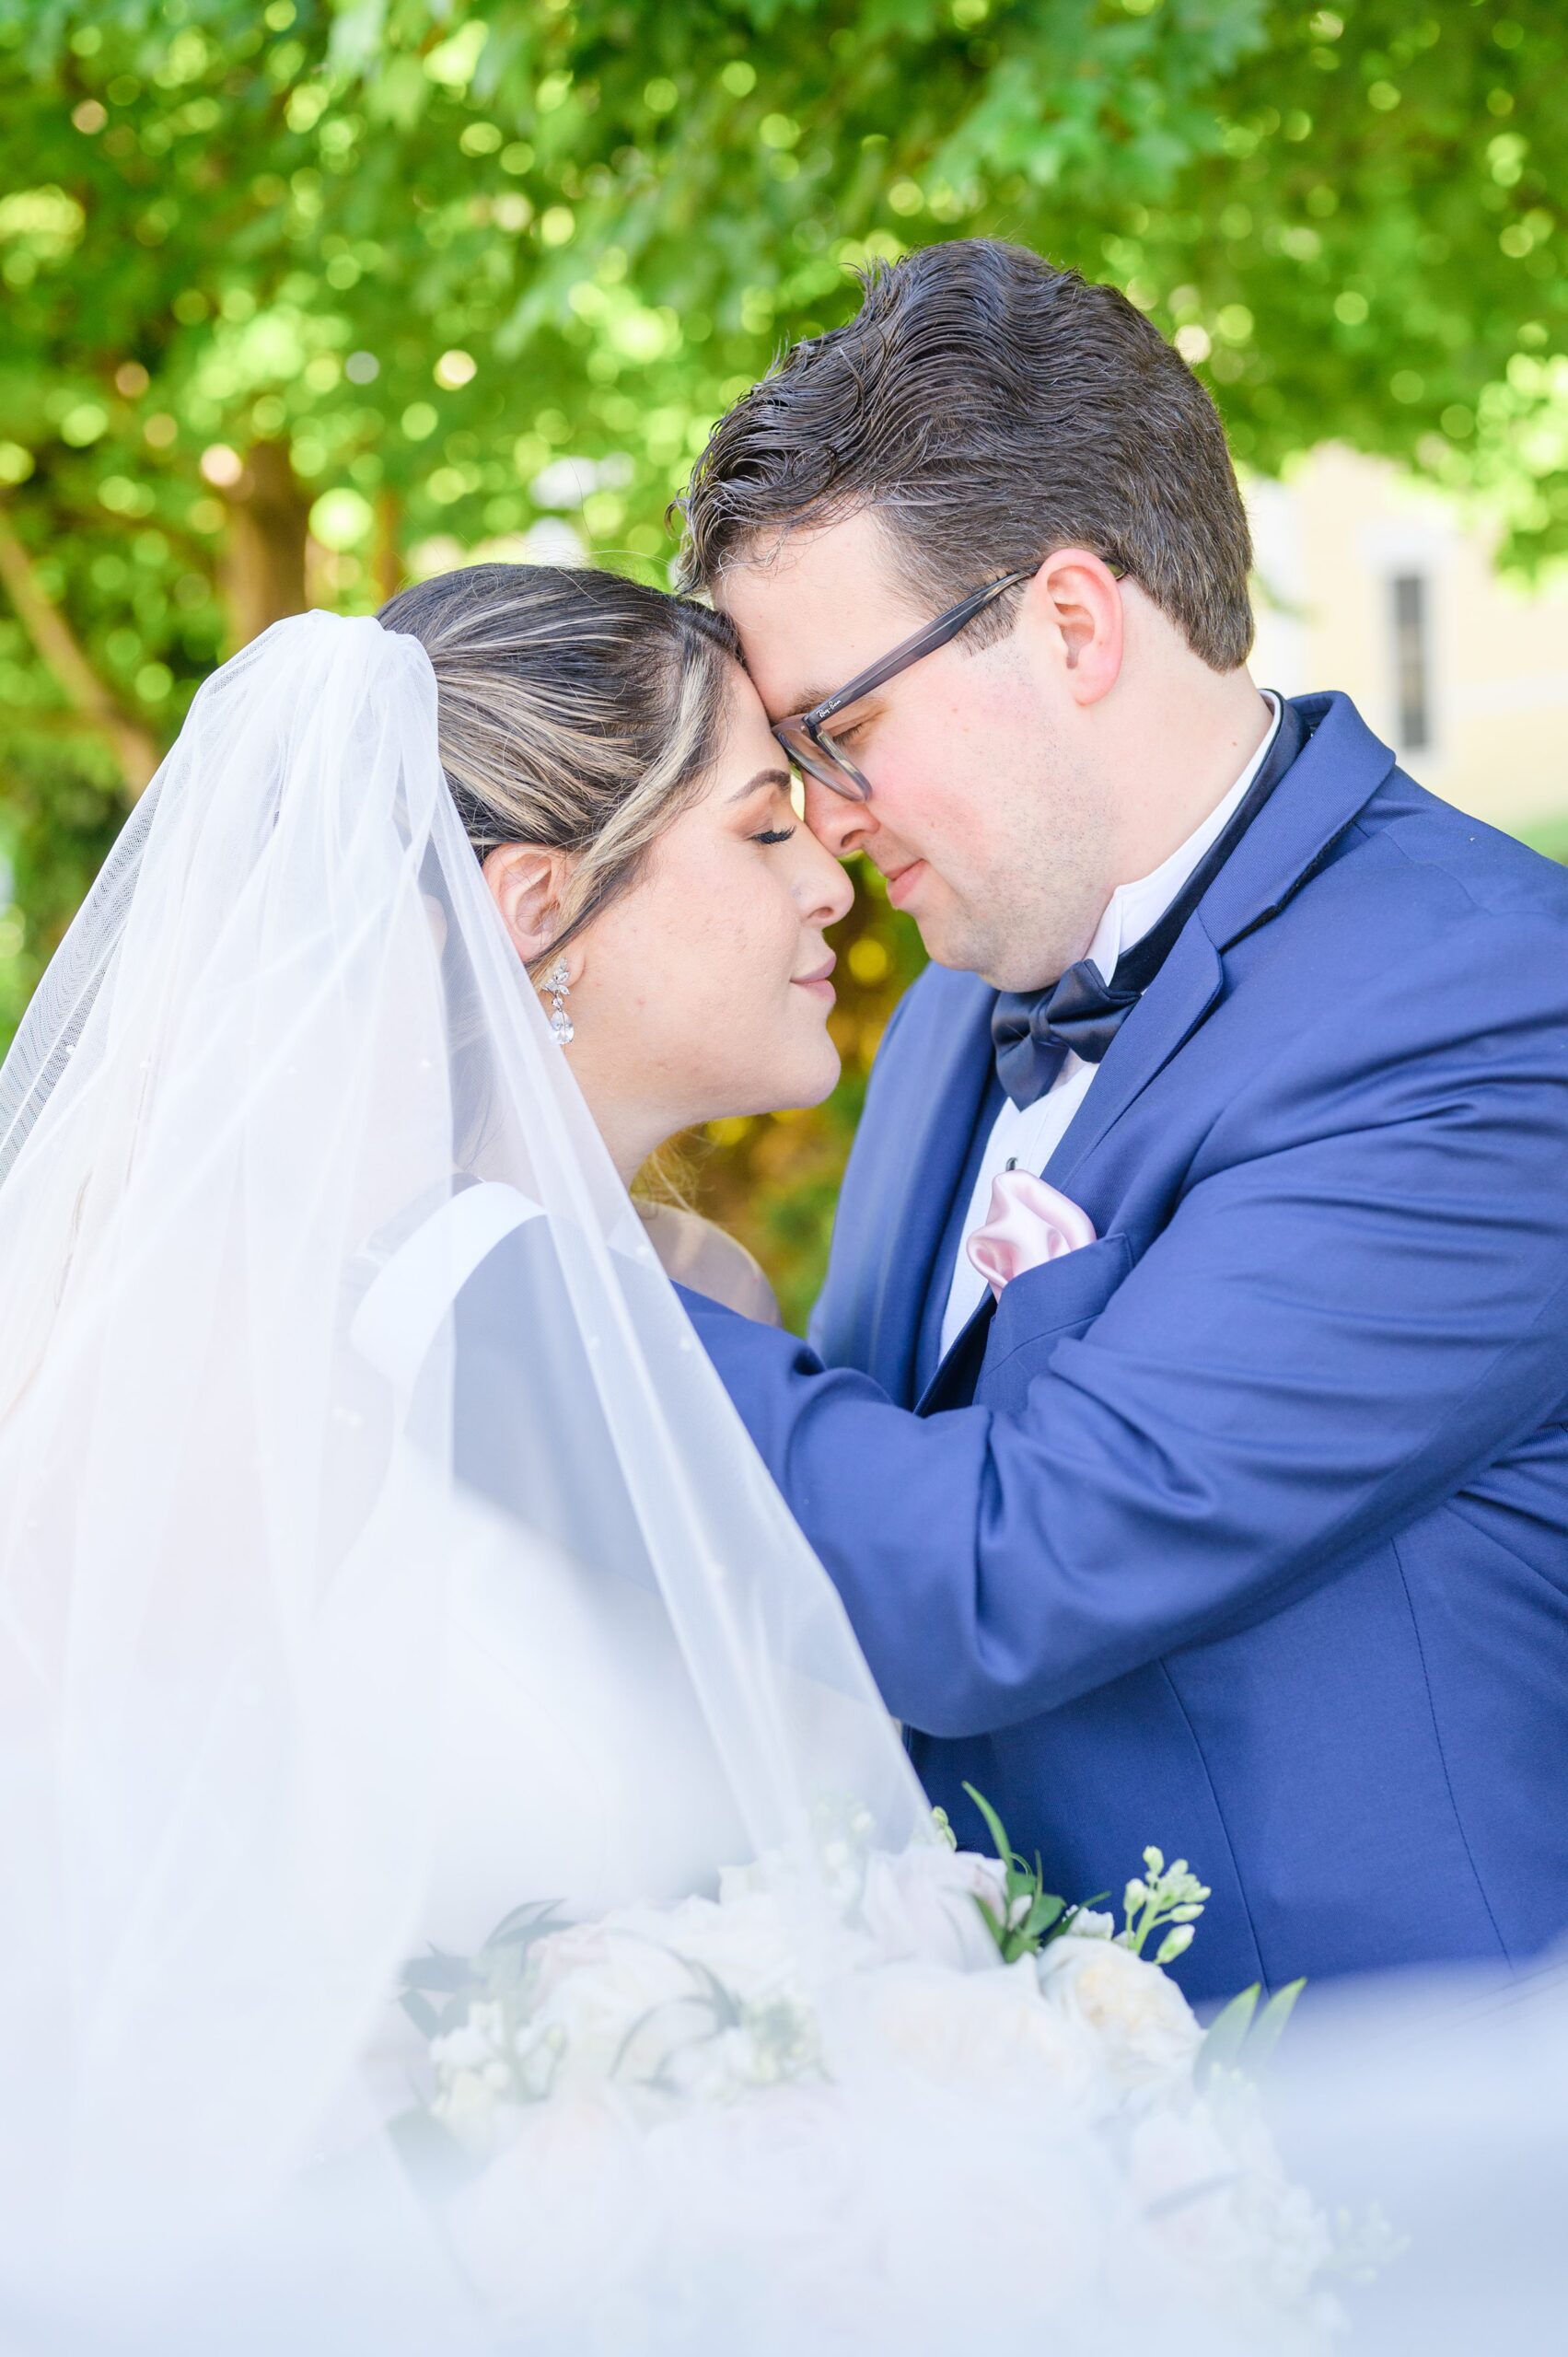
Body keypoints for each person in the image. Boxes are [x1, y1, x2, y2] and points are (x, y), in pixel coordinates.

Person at [0, 575, 1341, 2353]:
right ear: (541, 910)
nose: (832, 873)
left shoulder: (706, 1300)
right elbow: (120, 1997)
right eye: (765, 818)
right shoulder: (215, 1377)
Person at [672, 237, 1568, 2006]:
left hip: (1418, 2175)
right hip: (1045, 2167)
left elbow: (1006, 1572)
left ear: (1071, 623)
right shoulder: (947, 1015)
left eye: (841, 729)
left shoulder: (1486, 1017)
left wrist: (557, 1293)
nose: (829, 820)